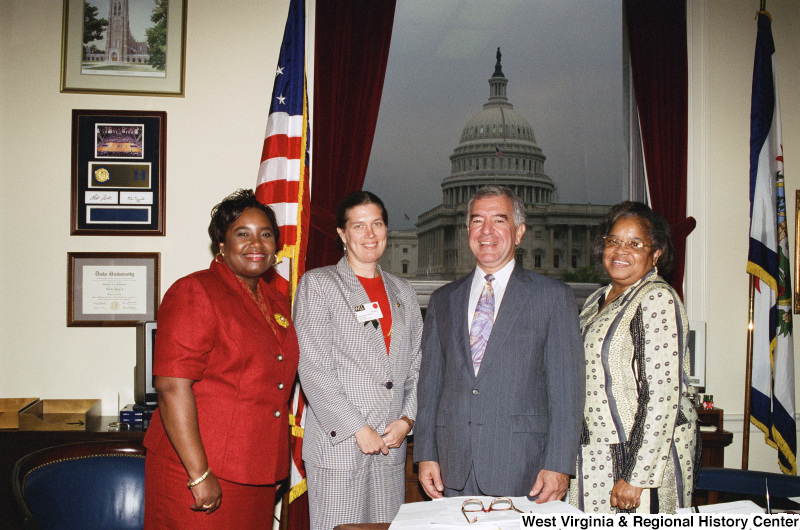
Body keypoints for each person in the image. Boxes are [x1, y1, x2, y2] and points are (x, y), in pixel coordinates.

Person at [414, 185, 585, 501]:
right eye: (477, 221)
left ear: (519, 232)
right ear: (468, 231)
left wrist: (560, 465)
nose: (486, 231)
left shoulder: (553, 297)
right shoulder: (442, 300)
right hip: (452, 469)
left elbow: (567, 392)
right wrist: (425, 452)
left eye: (499, 220)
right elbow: (430, 386)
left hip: (524, 469)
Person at [143, 189, 298, 529]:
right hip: (197, 469)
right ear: (222, 246)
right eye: (243, 234)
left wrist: (270, 466)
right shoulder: (195, 291)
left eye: (266, 234)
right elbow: (171, 387)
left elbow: (274, 389)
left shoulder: (276, 302)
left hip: (254, 473)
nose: (256, 244)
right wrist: (199, 475)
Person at [294, 191, 423, 530]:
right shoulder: (319, 285)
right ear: (342, 233)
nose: (370, 234)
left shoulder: (403, 291)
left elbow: (417, 364)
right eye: (359, 226)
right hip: (341, 445)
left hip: (390, 445)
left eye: (377, 224)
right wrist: (357, 427)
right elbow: (313, 367)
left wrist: (407, 419)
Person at [568, 201, 699, 514]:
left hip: (640, 461)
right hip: (595, 456)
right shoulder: (594, 300)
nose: (620, 251)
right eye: (613, 241)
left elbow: (663, 394)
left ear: (656, 254)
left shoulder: (656, 297)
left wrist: (637, 477)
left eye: (635, 243)